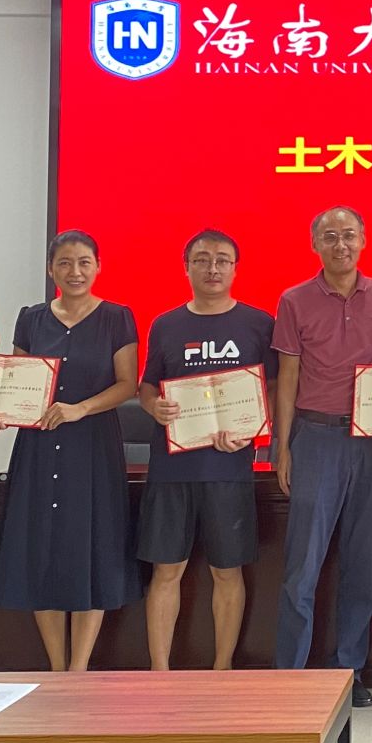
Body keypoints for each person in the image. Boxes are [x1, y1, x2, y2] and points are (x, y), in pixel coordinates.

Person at [0, 230, 140, 671]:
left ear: (98, 267)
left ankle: (79, 669)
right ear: (50, 269)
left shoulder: (117, 317)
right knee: (42, 551)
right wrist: (0, 413)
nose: (75, 272)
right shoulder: (31, 319)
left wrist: (81, 409)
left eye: (84, 262)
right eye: (65, 263)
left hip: (92, 448)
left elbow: (127, 384)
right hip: (38, 448)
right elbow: (17, 383)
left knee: (92, 549)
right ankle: (58, 668)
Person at [274, 206, 372, 707]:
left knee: (360, 563)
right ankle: (290, 675)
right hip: (316, 438)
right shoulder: (294, 300)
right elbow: (287, 377)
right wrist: (282, 448)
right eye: (330, 236)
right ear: (315, 244)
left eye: (349, 235)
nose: (340, 245)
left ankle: (349, 671)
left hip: (370, 443)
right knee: (302, 567)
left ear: (364, 239)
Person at [136, 229, 278, 672]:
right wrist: (154, 407)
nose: (212, 268)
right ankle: (160, 672)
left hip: (229, 467)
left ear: (235, 268)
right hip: (172, 468)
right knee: (166, 571)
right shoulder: (166, 324)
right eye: (201, 260)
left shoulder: (258, 323)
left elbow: (274, 389)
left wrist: (252, 429)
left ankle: (222, 669)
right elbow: (146, 386)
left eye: (222, 260)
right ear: (186, 267)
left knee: (227, 571)